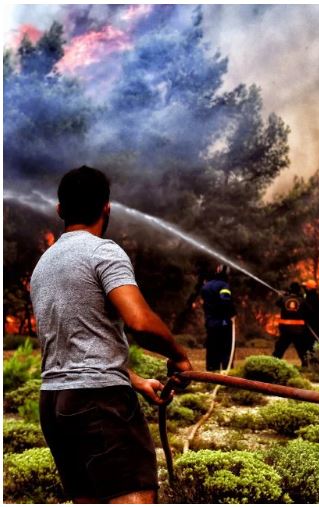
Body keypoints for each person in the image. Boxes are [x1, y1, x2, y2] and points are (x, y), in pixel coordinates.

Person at [30, 166, 192, 504]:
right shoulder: (103, 251)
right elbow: (140, 322)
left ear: (60, 210)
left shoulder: (44, 265)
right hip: (99, 403)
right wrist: (178, 357)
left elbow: (76, 346)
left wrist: (135, 380)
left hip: (55, 405)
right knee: (132, 498)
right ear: (107, 207)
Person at [201, 265, 237, 371]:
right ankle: (227, 373)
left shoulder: (206, 286)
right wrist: (232, 314)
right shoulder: (224, 286)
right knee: (226, 349)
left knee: (212, 348)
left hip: (210, 323)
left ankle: (211, 372)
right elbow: (225, 301)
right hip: (223, 323)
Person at [272, 281, 311, 366]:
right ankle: (305, 364)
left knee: (280, 348)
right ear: (299, 290)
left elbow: (277, 303)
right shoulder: (302, 300)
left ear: (290, 289)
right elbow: (308, 311)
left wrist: (281, 296)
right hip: (298, 330)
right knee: (301, 348)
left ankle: (273, 363)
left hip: (285, 330)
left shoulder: (284, 299)